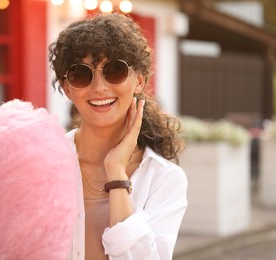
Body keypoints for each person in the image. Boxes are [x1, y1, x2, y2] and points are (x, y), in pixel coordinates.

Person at [48, 12, 188, 259]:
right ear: (67, 87)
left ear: (139, 81)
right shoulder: (42, 164)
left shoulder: (165, 179)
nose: (100, 87)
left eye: (114, 71)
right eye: (82, 74)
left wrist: (116, 173)